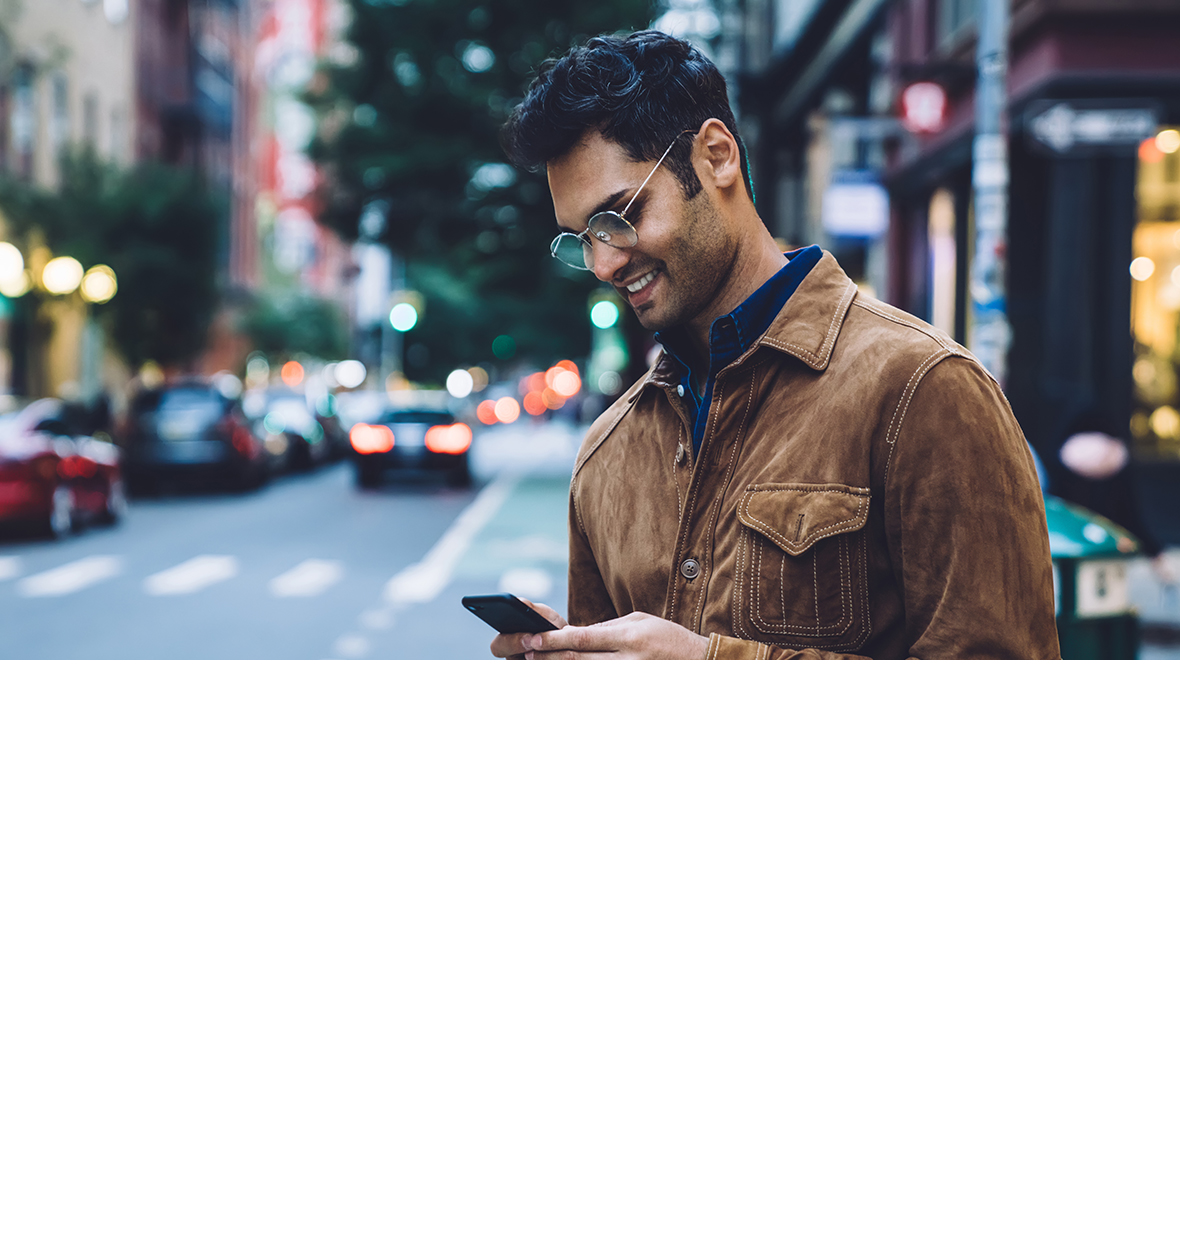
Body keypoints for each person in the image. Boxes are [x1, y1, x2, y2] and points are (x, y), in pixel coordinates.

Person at [491, 30, 1059, 660]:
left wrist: (713, 671)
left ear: (716, 156)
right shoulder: (606, 452)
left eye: (619, 215)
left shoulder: (923, 389)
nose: (604, 263)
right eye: (583, 238)